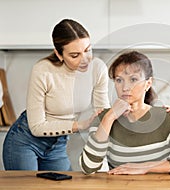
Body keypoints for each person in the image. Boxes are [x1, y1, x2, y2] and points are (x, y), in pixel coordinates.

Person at [3, 19, 110, 171]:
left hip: (58, 145)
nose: (85, 60)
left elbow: (103, 115)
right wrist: (80, 125)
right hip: (25, 141)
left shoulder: (98, 69)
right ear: (59, 54)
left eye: (88, 50)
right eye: (75, 55)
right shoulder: (43, 70)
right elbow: (36, 127)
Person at [79, 51, 170, 175]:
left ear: (148, 83)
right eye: (119, 80)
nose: (125, 87)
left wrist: (148, 167)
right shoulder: (104, 117)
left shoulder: (166, 118)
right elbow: (88, 167)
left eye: (133, 79)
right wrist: (110, 117)